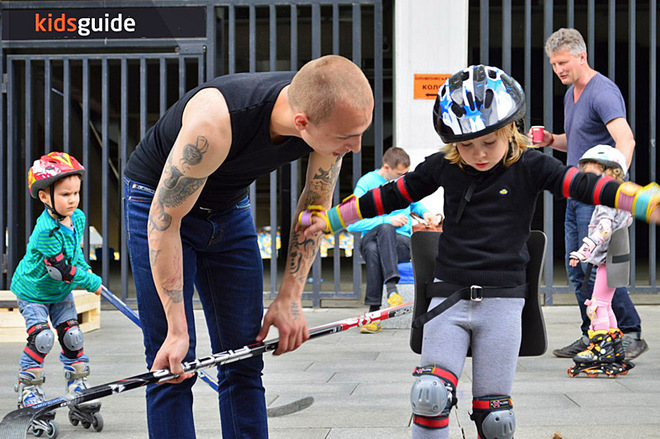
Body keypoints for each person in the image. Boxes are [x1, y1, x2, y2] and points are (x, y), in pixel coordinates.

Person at [298, 64, 660, 438]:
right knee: (429, 395)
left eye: (489, 141)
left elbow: (584, 185)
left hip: (503, 303)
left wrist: (641, 201)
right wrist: (332, 220)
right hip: (448, 298)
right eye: (466, 145)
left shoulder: (532, 165)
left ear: (508, 130)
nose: (478, 154)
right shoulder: (444, 166)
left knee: (496, 419)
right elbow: (389, 195)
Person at [122, 55, 373, 438]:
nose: (356, 146)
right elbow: (166, 221)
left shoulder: (325, 104)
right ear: (302, 122)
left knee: (243, 356)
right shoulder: (214, 122)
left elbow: (314, 208)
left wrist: (290, 296)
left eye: (361, 133)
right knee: (171, 364)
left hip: (227, 206)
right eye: (346, 138)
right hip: (158, 206)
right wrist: (176, 327)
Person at [533, 28, 648, 360]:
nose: (558, 70)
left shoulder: (603, 92)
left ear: (581, 56)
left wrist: (613, 187)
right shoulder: (572, 94)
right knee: (577, 267)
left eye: (563, 63)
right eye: (554, 64)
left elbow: (626, 140)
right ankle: (594, 334)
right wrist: (550, 141)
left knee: (598, 266)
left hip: (598, 197)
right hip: (575, 190)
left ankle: (630, 332)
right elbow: (578, 142)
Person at [12, 152, 102, 409]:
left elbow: (76, 256)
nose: (73, 199)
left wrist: (88, 271)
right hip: (34, 291)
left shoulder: (79, 218)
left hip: (59, 292)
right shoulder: (45, 231)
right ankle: (28, 390)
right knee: (42, 338)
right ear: (44, 196)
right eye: (65, 194)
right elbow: (63, 269)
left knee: (72, 336)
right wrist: (91, 282)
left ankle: (77, 386)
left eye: (76, 193)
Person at [346, 146, 438, 334]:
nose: (402, 178)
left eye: (405, 174)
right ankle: (391, 291)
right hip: (375, 236)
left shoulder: (403, 184)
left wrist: (426, 213)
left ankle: (373, 314)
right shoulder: (367, 183)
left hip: (400, 244)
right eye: (399, 174)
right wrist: (387, 220)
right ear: (386, 168)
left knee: (374, 250)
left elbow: (416, 203)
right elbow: (350, 224)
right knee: (384, 230)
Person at [568, 145, 633, 376]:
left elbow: (604, 229)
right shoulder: (621, 196)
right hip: (613, 259)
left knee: (596, 307)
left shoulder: (607, 200)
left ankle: (601, 347)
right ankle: (614, 345)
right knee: (605, 305)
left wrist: (583, 251)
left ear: (611, 172)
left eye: (592, 177)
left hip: (606, 259)